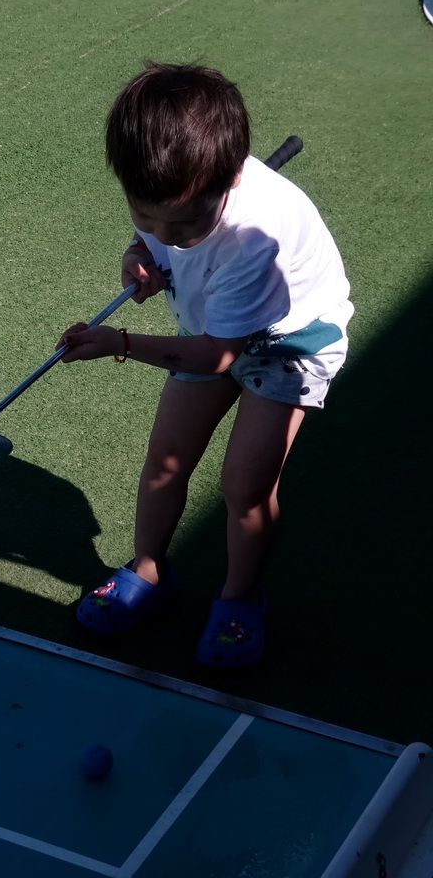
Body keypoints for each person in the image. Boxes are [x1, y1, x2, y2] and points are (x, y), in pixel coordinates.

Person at [57, 63, 353, 669]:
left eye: (186, 222)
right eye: (146, 214)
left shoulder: (253, 239)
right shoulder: (168, 183)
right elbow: (162, 240)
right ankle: (149, 570)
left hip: (288, 345)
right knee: (166, 459)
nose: (170, 233)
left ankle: (241, 598)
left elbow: (221, 355)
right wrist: (140, 251)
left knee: (245, 485)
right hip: (211, 324)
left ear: (232, 176)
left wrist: (120, 342)